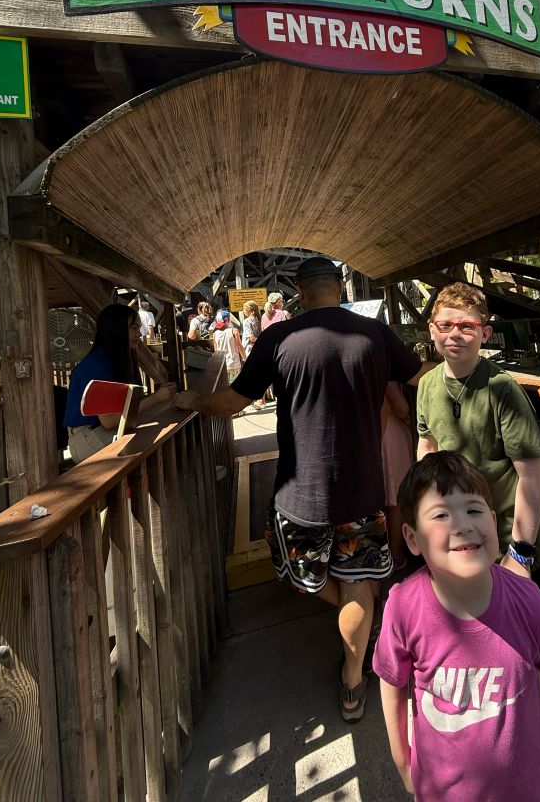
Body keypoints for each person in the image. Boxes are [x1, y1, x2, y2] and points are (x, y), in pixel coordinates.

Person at [174, 256, 435, 722]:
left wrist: (191, 398)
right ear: (339, 286)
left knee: (301, 572)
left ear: (299, 289)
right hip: (364, 490)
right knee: (359, 584)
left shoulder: (279, 337)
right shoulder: (374, 334)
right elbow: (423, 375)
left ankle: (365, 624)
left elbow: (232, 402)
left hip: (301, 494)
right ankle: (353, 681)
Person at [374, 451, 540, 802]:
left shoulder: (528, 602)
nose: (462, 524)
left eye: (474, 510)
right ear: (412, 538)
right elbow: (392, 684)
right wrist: (403, 761)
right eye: (441, 514)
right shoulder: (403, 607)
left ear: (492, 520)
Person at [417, 283, 540, 595]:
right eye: (445, 325)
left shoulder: (501, 388)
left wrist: (520, 552)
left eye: (467, 325)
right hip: (457, 539)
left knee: (527, 638)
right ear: (432, 330)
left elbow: (532, 474)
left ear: (485, 334)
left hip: (506, 543)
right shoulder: (426, 385)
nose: (455, 334)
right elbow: (428, 448)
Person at [64, 303, 176, 463]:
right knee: (152, 436)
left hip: (98, 431)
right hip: (87, 438)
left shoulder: (114, 358)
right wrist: (156, 399)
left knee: (171, 405)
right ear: (116, 330)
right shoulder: (98, 365)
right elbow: (109, 421)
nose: (139, 333)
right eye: (134, 328)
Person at [381, 381, 414, 571]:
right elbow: (400, 407)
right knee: (396, 499)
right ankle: (395, 554)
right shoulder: (385, 366)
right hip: (391, 434)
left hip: (373, 433)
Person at [212, 309, 246, 384]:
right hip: (234, 364)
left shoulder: (215, 334)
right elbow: (240, 347)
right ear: (227, 320)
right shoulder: (234, 331)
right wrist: (245, 358)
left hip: (222, 365)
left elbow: (216, 351)